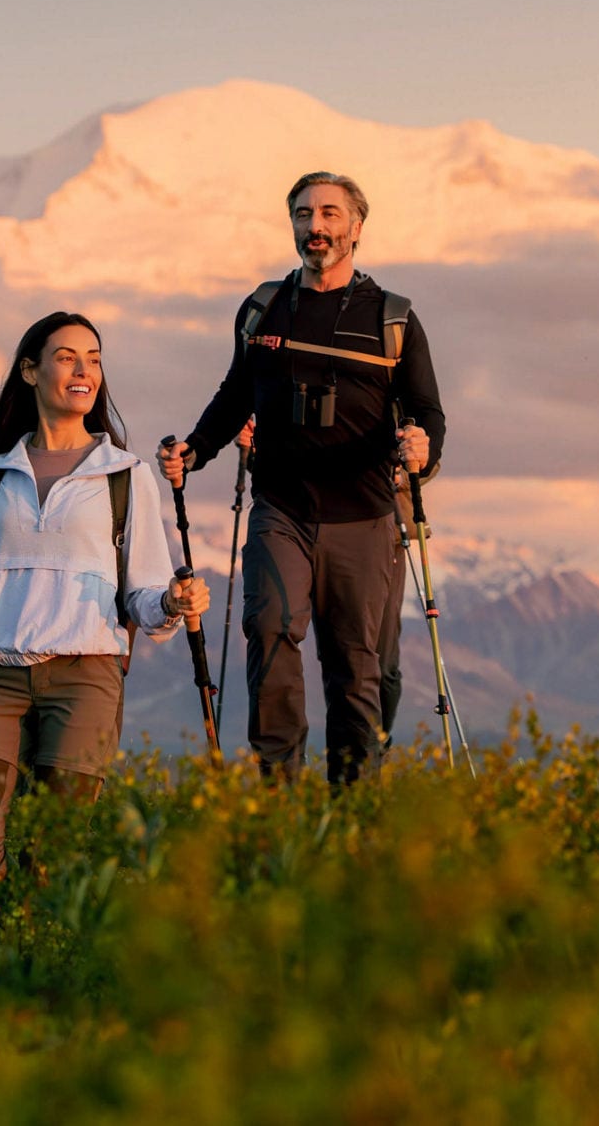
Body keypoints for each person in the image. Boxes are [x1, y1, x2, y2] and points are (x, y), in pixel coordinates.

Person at [0, 311, 209, 879]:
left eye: (95, 360)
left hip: (87, 677)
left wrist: (172, 603)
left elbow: (143, 592)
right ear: (30, 371)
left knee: (56, 851)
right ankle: (6, 930)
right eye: (67, 357)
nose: (85, 371)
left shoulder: (124, 475)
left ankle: (36, 952)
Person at [158, 171, 445, 785]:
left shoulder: (392, 318)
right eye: (303, 215)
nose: (315, 226)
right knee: (267, 634)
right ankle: (279, 798)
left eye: (330, 214)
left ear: (357, 227)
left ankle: (352, 809)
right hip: (281, 508)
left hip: (365, 515)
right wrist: (197, 448)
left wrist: (422, 447)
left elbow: (428, 412)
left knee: (356, 667)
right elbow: (237, 391)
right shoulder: (264, 308)